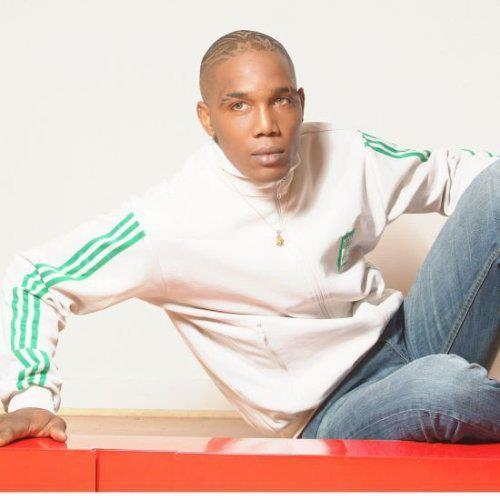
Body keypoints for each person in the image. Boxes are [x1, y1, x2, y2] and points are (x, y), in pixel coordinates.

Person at [0, 30, 498, 447]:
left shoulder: (345, 153)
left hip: (412, 334)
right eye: (239, 106)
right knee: (446, 386)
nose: (266, 126)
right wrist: (31, 397)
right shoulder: (170, 222)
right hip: (332, 409)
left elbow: (457, 174)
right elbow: (36, 279)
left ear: (300, 102)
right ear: (207, 118)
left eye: (280, 100)